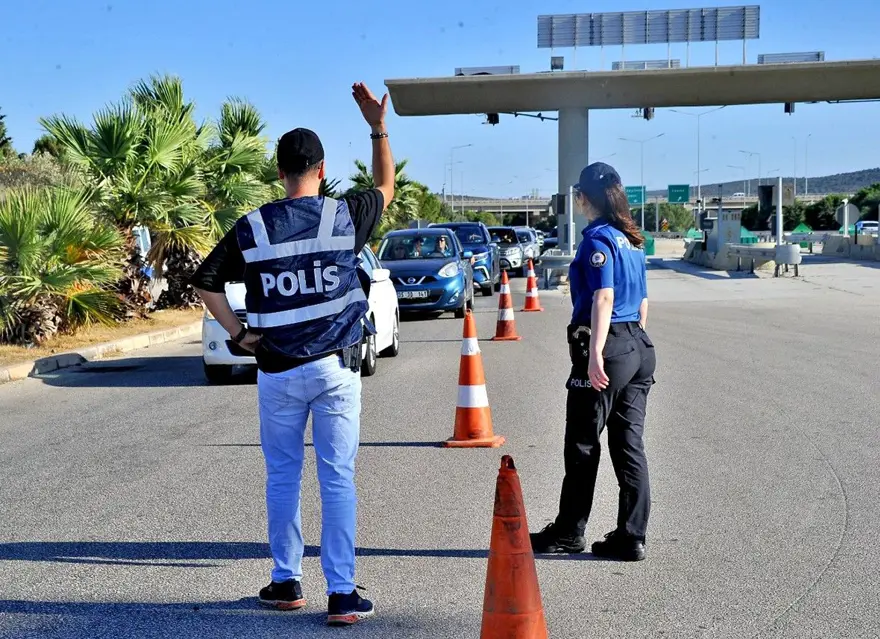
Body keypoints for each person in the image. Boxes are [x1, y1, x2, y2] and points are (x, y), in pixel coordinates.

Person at [190, 82, 394, 625]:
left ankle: (286, 583)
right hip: (334, 370)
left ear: (279, 172)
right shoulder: (344, 217)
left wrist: (239, 333)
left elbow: (206, 281)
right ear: (321, 170)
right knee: (337, 477)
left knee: (282, 476)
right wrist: (377, 126)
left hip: (277, 372)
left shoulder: (254, 226)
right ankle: (343, 594)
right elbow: (385, 185)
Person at [529, 162, 656, 562]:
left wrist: (597, 354)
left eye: (579, 196)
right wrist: (627, 344)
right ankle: (632, 536)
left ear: (585, 198)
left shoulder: (597, 240)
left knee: (582, 444)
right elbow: (644, 302)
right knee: (628, 444)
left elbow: (603, 297)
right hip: (639, 345)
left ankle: (569, 533)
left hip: (609, 346)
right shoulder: (632, 240)